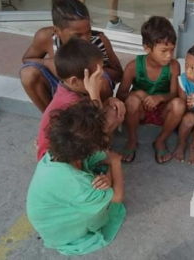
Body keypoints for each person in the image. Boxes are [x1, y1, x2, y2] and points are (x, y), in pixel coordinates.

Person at [27, 99, 126, 256]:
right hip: (60, 231)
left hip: (49, 219)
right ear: (91, 147)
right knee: (109, 200)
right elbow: (117, 197)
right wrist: (115, 163)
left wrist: (107, 174)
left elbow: (101, 155)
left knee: (101, 175)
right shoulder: (78, 183)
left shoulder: (57, 153)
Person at [20, 0, 123, 113]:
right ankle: (54, 120)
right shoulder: (46, 37)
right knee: (27, 73)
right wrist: (48, 63)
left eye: (88, 32)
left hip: (91, 90)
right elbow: (26, 59)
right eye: (77, 35)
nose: (85, 39)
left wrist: (94, 72)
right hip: (62, 86)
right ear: (57, 31)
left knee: (101, 82)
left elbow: (118, 74)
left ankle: (96, 121)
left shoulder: (99, 40)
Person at [36, 37, 125, 161]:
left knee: (113, 109)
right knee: (107, 121)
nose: (101, 80)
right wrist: (94, 92)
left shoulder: (70, 89)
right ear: (74, 81)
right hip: (56, 159)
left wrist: (110, 99)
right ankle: (94, 159)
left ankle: (97, 153)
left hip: (66, 147)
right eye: (96, 77)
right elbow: (96, 126)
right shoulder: (70, 102)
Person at [116, 16, 185, 164]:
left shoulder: (173, 66)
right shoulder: (133, 66)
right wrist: (138, 93)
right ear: (147, 48)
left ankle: (160, 140)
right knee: (132, 100)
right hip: (139, 111)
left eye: (172, 50)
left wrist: (160, 98)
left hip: (162, 111)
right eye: (164, 50)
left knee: (179, 104)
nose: (169, 56)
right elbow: (120, 95)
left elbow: (174, 94)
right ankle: (132, 140)